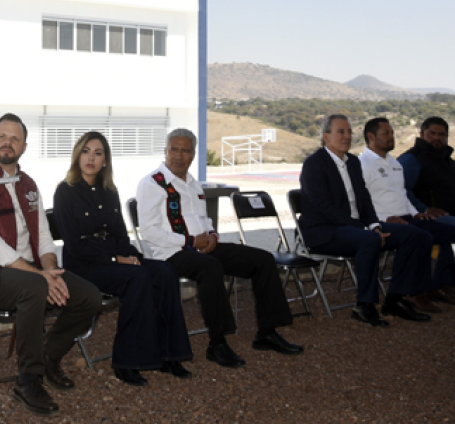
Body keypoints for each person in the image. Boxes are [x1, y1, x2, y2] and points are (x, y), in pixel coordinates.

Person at [0, 113, 101, 416]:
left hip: (33, 273)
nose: (7, 143)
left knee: (89, 297)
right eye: (2, 136)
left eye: (15, 138)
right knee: (35, 287)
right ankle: (27, 380)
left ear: (24, 147)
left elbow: (44, 237)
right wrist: (41, 276)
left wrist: (49, 270)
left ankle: (48, 356)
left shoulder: (29, 185)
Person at [137, 128, 303, 369]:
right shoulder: (152, 183)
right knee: (211, 267)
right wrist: (190, 242)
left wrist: (212, 237)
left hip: (202, 248)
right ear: (165, 151)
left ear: (193, 155)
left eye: (185, 151)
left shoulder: (193, 184)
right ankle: (217, 343)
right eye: (174, 149)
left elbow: (204, 220)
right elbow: (149, 231)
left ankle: (267, 333)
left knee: (263, 260)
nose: (179, 155)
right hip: (171, 253)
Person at [53, 131, 192, 387]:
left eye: (98, 153)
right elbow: (75, 244)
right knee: (136, 278)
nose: (91, 158)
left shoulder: (109, 191)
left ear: (105, 160)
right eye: (86, 152)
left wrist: (133, 256)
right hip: (84, 265)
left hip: (114, 259)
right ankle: (127, 361)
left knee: (164, 271)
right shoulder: (65, 191)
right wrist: (116, 259)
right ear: (77, 156)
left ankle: (169, 355)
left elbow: (119, 233)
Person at [299, 115, 433, 327]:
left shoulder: (353, 162)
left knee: (415, 235)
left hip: (356, 229)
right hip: (324, 231)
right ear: (326, 136)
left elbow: (364, 199)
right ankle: (365, 305)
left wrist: (374, 225)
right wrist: (365, 229)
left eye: (349, 132)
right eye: (340, 132)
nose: (347, 136)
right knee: (369, 240)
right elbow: (323, 207)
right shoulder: (314, 164)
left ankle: (395, 299)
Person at [360, 117, 455, 311]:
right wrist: (384, 219)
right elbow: (361, 200)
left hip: (407, 217)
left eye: (392, 133)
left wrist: (417, 212)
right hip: (382, 221)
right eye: (386, 133)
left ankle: (437, 285)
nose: (391, 137)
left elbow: (402, 193)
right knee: (421, 236)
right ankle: (412, 294)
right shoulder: (363, 164)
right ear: (371, 136)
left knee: (447, 231)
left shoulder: (394, 163)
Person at [399, 116, 455, 222]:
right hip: (428, 218)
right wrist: (425, 209)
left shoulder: (449, 162)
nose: (437, 138)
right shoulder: (412, 159)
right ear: (422, 134)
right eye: (432, 133)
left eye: (441, 134)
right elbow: (401, 188)